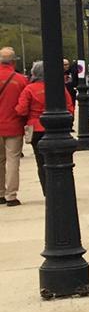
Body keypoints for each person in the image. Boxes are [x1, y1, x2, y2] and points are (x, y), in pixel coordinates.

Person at [16, 61, 73, 195]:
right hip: (57, 127)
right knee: (60, 159)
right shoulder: (58, 88)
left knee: (41, 161)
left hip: (36, 128)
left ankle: (47, 190)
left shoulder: (29, 89)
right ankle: (61, 187)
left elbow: (22, 110)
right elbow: (69, 106)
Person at [0, 45, 28, 206]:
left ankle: (0, 193)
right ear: (14, 62)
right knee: (12, 160)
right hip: (14, 125)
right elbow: (25, 105)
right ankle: (11, 195)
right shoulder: (21, 80)